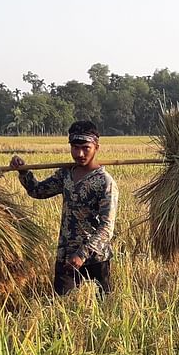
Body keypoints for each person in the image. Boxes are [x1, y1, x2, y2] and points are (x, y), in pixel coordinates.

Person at [9, 120, 119, 295]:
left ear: (96, 147)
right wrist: (23, 172)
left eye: (86, 148)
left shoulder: (104, 182)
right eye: (75, 148)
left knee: (101, 311)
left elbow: (107, 227)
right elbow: (38, 191)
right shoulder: (66, 175)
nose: (80, 153)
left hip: (95, 259)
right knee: (62, 308)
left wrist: (82, 254)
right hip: (66, 256)